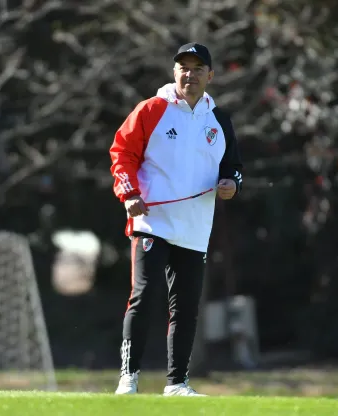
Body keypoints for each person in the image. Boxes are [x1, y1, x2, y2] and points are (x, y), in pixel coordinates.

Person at [109, 42, 243, 396]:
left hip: (195, 229)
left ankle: (177, 383)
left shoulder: (220, 120)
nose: (190, 74)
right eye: (183, 67)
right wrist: (130, 195)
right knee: (144, 297)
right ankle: (129, 378)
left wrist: (231, 183)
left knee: (185, 308)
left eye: (198, 69)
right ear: (174, 73)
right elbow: (122, 152)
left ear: (210, 76)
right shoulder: (152, 109)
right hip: (152, 222)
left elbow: (233, 167)